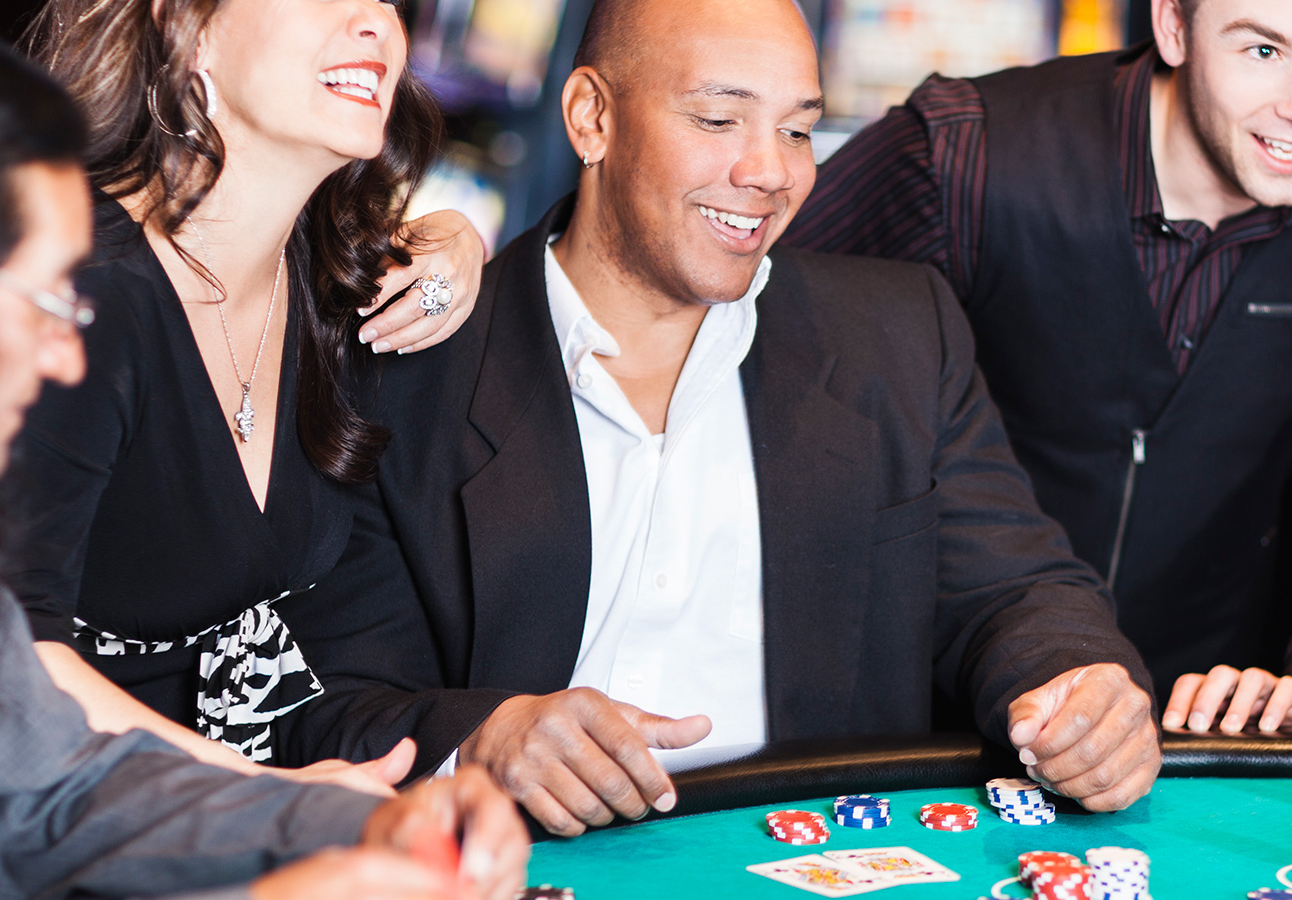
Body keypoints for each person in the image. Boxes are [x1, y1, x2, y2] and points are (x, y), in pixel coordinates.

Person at [273, 0, 1165, 836]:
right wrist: (491, 736)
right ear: (591, 118)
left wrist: (1076, 683)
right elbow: (323, 704)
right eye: (718, 120)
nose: (769, 171)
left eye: (798, 129)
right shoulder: (401, 362)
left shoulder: (898, 333)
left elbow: (1017, 591)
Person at [0, 16, 529, 900]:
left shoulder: (343, 288)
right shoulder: (100, 282)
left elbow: (51, 786)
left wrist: (355, 820)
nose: (371, 21)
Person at [786, 0, 1292, 736]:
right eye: (1263, 52)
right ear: (1173, 25)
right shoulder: (958, 153)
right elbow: (755, 324)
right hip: (948, 713)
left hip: (1207, 716)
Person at [0, 0, 490, 785]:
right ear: (182, 25)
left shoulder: (334, 288)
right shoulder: (79, 292)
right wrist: (260, 798)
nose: (377, 25)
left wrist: (456, 240)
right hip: (39, 815)